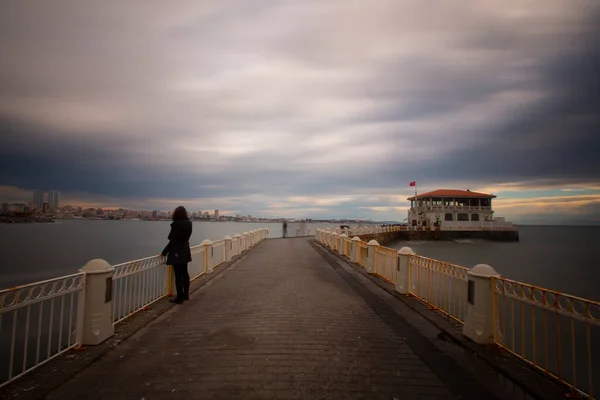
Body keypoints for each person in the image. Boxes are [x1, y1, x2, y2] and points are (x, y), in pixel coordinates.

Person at [161, 206, 192, 304]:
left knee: (178, 276)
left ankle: (179, 297)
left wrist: (164, 252)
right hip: (185, 250)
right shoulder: (188, 223)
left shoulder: (177, 225)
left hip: (177, 252)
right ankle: (185, 294)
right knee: (185, 274)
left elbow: (173, 241)